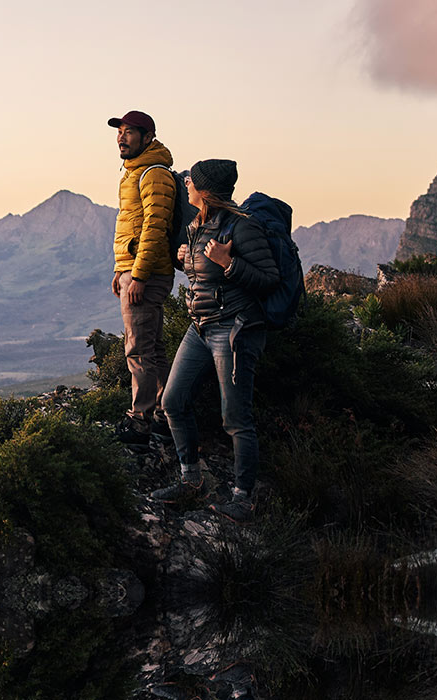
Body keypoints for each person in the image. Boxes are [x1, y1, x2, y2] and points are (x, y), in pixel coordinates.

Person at [151, 159, 279, 522]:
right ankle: (191, 480)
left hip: (234, 330)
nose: (186, 182)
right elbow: (201, 273)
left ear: (206, 191)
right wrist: (183, 258)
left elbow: (268, 278)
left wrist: (229, 264)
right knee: (173, 400)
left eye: (192, 179)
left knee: (236, 418)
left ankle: (244, 499)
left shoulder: (243, 227)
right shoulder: (197, 224)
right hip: (200, 327)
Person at [107, 110, 183, 437]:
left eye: (129, 132)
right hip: (136, 271)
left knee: (138, 349)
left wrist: (137, 276)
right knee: (152, 347)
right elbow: (132, 227)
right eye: (119, 131)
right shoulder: (133, 173)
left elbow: (154, 227)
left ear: (147, 137)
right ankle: (167, 414)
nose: (121, 137)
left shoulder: (153, 174)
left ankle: (141, 420)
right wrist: (120, 270)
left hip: (148, 275)